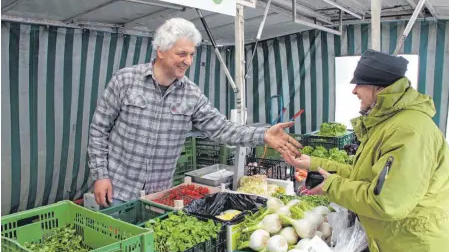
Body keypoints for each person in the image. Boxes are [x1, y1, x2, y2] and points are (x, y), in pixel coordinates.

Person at [88, 18, 302, 208]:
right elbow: (99, 129)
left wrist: (262, 134)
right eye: (181, 54)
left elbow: (222, 129)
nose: (188, 61)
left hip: (159, 197)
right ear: (160, 50)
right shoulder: (125, 80)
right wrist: (101, 176)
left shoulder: (191, 94)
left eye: (191, 54)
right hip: (117, 190)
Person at [282, 49, 449, 252]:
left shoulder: (409, 131)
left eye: (360, 83)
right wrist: (314, 163)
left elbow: (388, 202)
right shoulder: (390, 124)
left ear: (379, 88)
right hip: (404, 245)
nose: (354, 91)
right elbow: (367, 176)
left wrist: (331, 186)